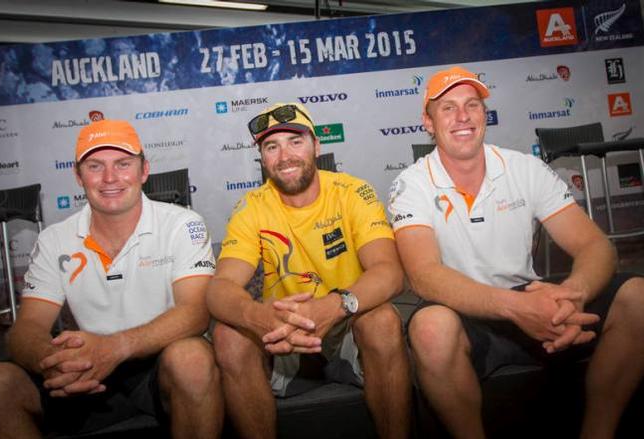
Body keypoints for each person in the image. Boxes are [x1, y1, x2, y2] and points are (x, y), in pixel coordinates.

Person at [388, 65, 644, 438]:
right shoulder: (410, 184)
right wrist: (515, 308)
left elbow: (594, 245)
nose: (462, 117)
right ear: (427, 122)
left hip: (530, 295)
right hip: (465, 310)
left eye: (472, 105)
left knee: (638, 296)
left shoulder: (524, 167)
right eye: (447, 108)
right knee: (430, 328)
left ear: (483, 115)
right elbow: (424, 275)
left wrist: (574, 294)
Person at [0, 119, 223, 439]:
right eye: (95, 166)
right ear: (78, 175)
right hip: (84, 368)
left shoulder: (182, 224)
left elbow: (195, 312)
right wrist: (53, 361)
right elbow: (25, 329)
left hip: (160, 362)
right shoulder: (56, 238)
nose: (110, 178)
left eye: (123, 164)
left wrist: (114, 348)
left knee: (192, 359)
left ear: (144, 170)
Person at [207, 102, 410, 439]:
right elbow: (220, 288)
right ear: (263, 158)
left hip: (348, 324)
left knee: (383, 319)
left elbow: (389, 271)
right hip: (285, 336)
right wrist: (262, 318)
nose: (284, 156)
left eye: (295, 141)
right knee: (229, 337)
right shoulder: (251, 207)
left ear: (317, 145)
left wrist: (334, 306)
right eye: (272, 146)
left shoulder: (352, 192)